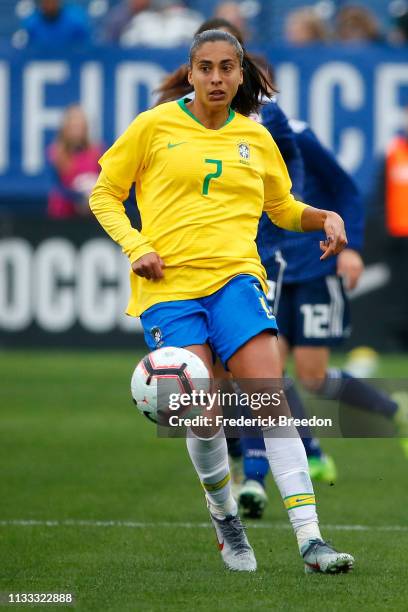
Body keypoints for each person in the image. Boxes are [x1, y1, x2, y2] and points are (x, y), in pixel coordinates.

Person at [90, 29, 354, 574]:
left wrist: (322, 217)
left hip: (236, 278)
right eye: (205, 68)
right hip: (170, 289)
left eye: (226, 68)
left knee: (267, 399)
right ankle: (224, 517)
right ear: (190, 73)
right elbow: (104, 194)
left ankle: (311, 540)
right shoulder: (153, 126)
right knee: (205, 415)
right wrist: (136, 245)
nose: (216, 78)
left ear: (241, 75)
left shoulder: (256, 138)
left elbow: (281, 207)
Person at [48, 105, 103, 219]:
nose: (76, 130)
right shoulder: (55, 153)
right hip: (62, 215)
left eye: (79, 126)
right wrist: (76, 195)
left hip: (91, 215)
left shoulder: (96, 152)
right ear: (65, 128)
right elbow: (55, 187)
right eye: (73, 126)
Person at [18, 0, 90, 48]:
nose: (49, 4)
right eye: (46, 1)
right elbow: (27, 50)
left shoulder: (75, 23)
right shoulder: (31, 25)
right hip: (41, 65)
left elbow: (84, 48)